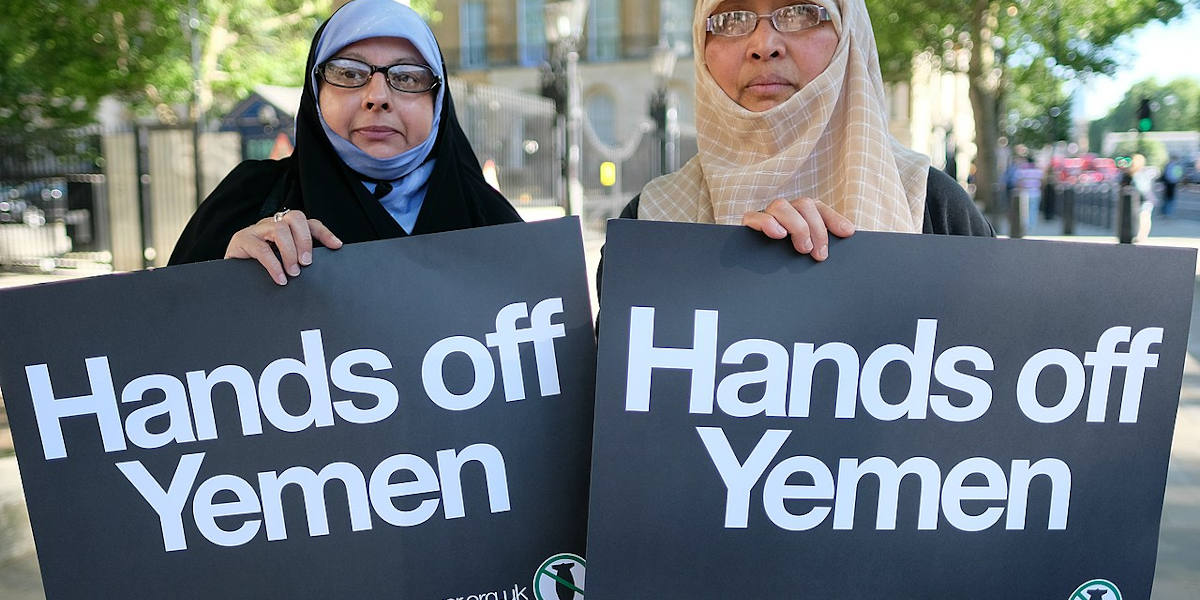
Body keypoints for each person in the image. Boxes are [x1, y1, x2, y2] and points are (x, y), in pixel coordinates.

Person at [169, 0, 521, 282]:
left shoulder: (492, 220)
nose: (378, 96)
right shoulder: (247, 200)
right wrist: (221, 275)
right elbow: (165, 340)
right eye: (349, 72)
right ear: (315, 90)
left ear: (438, 101)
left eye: (409, 78)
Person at [621, 0, 993, 260]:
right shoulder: (650, 220)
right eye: (731, 18)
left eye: (800, 12)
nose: (763, 45)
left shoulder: (932, 207)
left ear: (848, 32)